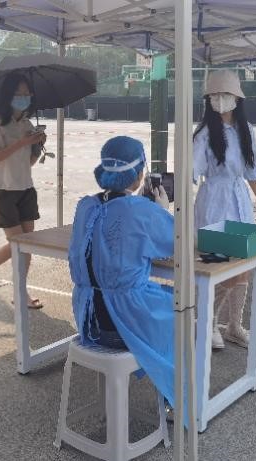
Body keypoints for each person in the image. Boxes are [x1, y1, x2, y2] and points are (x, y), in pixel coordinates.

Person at [68, 135, 177, 407]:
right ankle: (173, 396)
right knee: (182, 311)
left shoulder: (86, 205)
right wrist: (161, 210)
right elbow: (174, 242)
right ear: (139, 176)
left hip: (88, 322)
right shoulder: (141, 211)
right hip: (124, 327)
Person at [193, 69, 256, 350]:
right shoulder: (203, 134)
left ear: (237, 98)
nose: (219, 99)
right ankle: (208, 322)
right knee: (217, 265)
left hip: (239, 199)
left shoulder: (246, 130)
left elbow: (250, 168)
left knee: (243, 265)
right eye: (214, 95)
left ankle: (234, 326)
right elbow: (192, 169)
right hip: (214, 201)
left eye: (224, 94)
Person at [0, 73, 46, 308]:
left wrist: (37, 146)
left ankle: (19, 290)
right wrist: (22, 143)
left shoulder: (27, 124)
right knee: (18, 243)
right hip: (3, 189)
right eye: (19, 93)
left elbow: (28, 163)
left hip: (25, 187)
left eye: (27, 94)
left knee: (27, 244)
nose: (23, 98)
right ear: (8, 95)